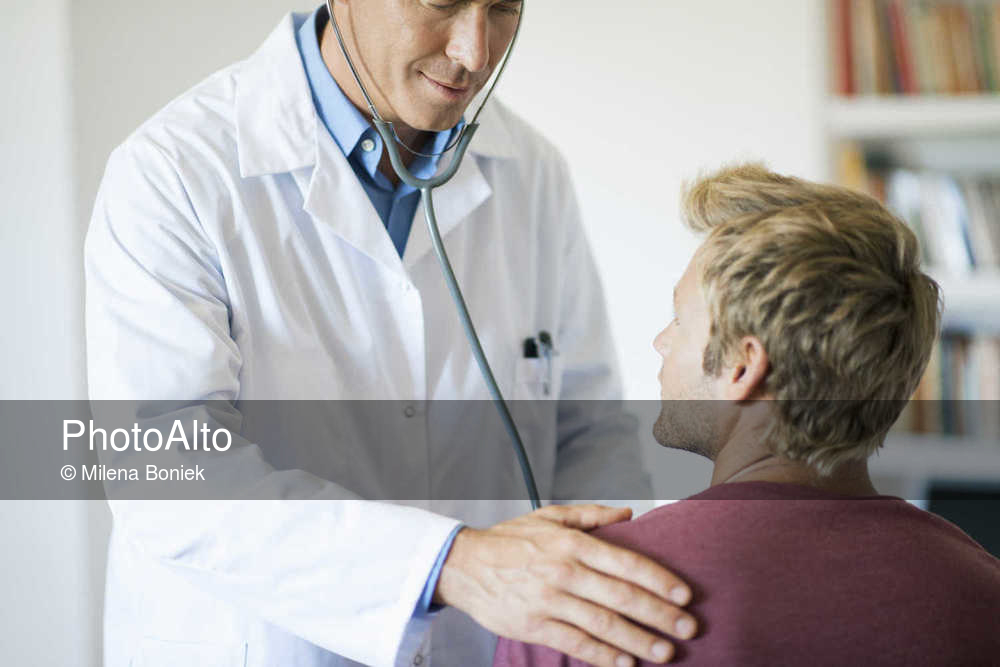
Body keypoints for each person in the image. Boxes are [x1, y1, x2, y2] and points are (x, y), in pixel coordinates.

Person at [84, 2, 699, 666]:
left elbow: (589, 429)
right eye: (443, 2)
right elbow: (164, 472)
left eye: (503, 8)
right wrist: (450, 564)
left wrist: (597, 607)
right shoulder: (175, 171)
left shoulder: (531, 170)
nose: (474, 52)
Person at [494, 164, 1000, 666]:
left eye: (679, 317)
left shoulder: (582, 603)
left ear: (742, 365)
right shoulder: (981, 590)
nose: (661, 341)